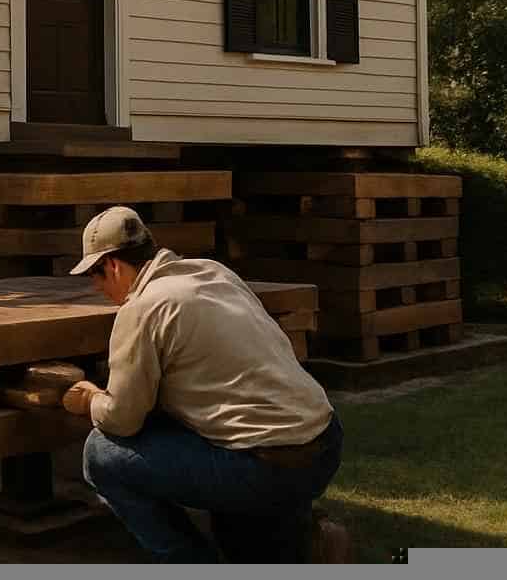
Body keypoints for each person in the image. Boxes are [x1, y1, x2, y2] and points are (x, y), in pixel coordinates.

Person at [59, 206, 349, 563]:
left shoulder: (143, 307)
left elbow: (122, 419)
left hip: (261, 466)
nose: (97, 287)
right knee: (243, 539)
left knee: (101, 453)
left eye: (97, 276)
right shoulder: (214, 272)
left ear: (114, 265)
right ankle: (309, 544)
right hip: (323, 442)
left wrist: (89, 399)